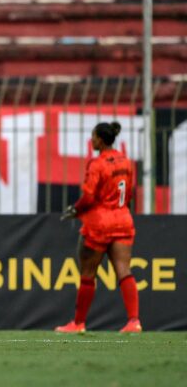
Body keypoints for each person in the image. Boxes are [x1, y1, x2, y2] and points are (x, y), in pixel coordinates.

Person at [55, 121, 141, 334]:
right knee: (124, 270)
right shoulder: (126, 162)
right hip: (122, 219)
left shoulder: (97, 164)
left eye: (93, 137)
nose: (91, 140)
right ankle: (134, 321)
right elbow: (129, 192)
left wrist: (75, 209)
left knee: (88, 272)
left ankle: (78, 323)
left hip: (99, 224)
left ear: (100, 140)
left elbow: (89, 197)